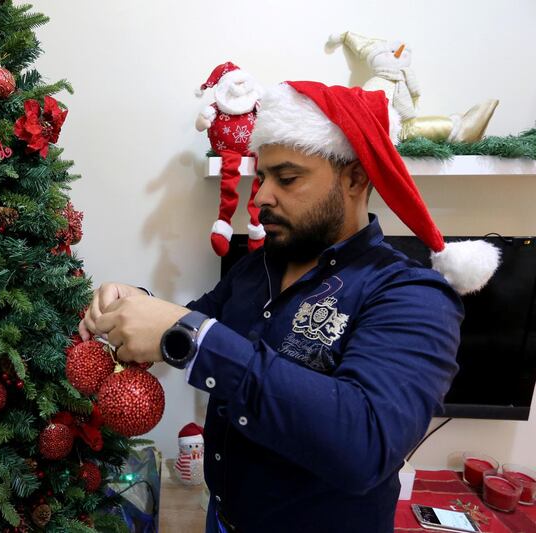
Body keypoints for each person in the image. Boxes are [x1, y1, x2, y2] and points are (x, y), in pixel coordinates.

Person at [79, 81, 500, 532]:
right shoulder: (254, 267)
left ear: (355, 178)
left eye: (287, 177)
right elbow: (190, 321)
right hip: (220, 519)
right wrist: (137, 304)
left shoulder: (412, 295)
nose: (259, 196)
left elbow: (365, 444)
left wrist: (192, 337)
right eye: (260, 177)